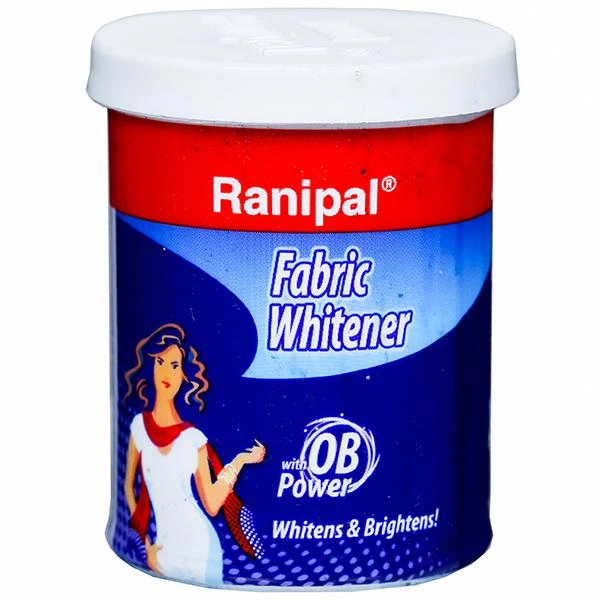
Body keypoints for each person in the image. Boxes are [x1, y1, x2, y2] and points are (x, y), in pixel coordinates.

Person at [123, 323, 266, 585]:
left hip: (201, 549)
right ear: (150, 365)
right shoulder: (139, 427)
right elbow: (129, 487)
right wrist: (145, 545)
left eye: (174, 365)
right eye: (160, 362)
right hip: (161, 550)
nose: (166, 372)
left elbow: (212, 504)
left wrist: (241, 460)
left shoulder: (193, 438)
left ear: (184, 376)